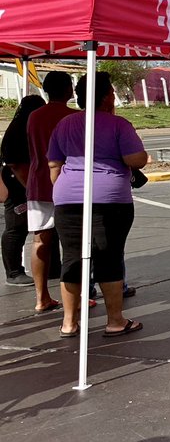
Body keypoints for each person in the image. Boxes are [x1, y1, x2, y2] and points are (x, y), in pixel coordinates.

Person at [48, 71, 148, 339]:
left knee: (71, 258)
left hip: (67, 198)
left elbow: (54, 164)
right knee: (109, 257)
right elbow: (137, 159)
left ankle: (69, 322)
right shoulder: (118, 125)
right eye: (112, 92)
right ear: (106, 96)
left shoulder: (65, 124)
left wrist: (63, 189)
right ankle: (115, 320)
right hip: (109, 199)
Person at [24, 70, 76, 313]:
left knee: (39, 240)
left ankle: (41, 296)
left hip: (37, 183)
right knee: (73, 244)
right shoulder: (75, 117)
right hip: (68, 184)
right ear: (68, 90)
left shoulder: (34, 116)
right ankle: (75, 295)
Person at [1, 94, 45, 287]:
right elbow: (15, 165)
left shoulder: (25, 127)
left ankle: (50, 267)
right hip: (17, 183)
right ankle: (13, 272)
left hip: (26, 181)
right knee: (16, 227)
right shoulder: (18, 131)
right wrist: (29, 187)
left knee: (44, 227)